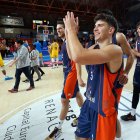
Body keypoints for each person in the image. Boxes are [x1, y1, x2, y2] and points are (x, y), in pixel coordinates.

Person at [63, 12, 124, 140]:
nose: (95, 28)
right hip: (89, 104)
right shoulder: (94, 47)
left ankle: (115, 126)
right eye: (95, 25)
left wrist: (70, 29)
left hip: (103, 110)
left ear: (111, 30)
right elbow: (73, 56)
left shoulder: (115, 50)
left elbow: (78, 56)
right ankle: (116, 128)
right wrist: (69, 34)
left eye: (100, 25)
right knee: (79, 137)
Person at [96, 9, 134, 140]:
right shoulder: (99, 38)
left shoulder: (119, 36)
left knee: (112, 112)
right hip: (102, 79)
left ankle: (118, 137)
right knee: (108, 113)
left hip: (115, 81)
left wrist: (126, 73)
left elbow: (130, 56)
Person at [46, 20, 85, 139]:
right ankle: (84, 116)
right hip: (67, 74)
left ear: (66, 28)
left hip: (70, 75)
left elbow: (77, 60)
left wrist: (78, 77)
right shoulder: (64, 42)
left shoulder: (69, 42)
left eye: (60, 28)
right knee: (77, 94)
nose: (58, 30)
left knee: (64, 101)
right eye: (57, 29)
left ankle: (58, 128)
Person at [121, 21, 140, 121]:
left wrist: (134, 52)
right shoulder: (137, 40)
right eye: (137, 28)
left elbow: (136, 54)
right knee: (136, 92)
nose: (138, 30)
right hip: (138, 69)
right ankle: (132, 114)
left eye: (139, 28)